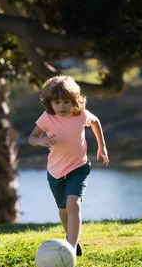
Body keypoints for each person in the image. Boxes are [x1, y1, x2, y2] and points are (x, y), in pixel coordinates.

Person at [28, 75, 109, 256]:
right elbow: (31, 137)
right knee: (63, 208)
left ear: (74, 100)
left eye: (66, 102)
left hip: (78, 168)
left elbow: (95, 122)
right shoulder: (48, 117)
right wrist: (41, 142)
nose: (61, 107)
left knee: (74, 204)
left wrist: (102, 147)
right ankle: (71, 236)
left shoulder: (80, 115)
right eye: (56, 102)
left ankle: (71, 248)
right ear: (50, 103)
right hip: (55, 172)